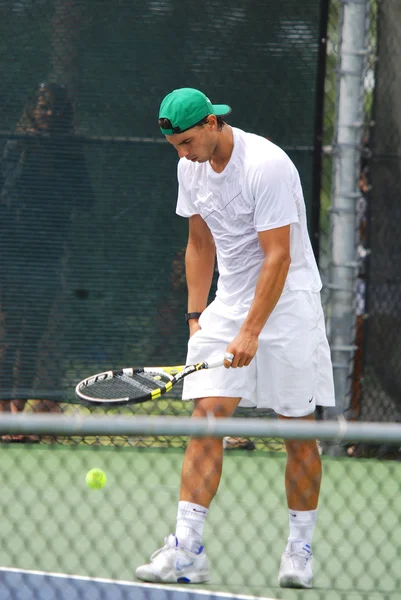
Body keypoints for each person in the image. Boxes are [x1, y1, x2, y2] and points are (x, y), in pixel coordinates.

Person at [135, 88, 335, 588]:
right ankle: (187, 549)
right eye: (175, 147)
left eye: (187, 141)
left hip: (289, 303)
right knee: (207, 416)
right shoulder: (189, 167)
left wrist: (252, 332)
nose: (183, 154)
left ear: (212, 123)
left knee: (297, 429)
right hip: (229, 304)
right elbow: (199, 244)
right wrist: (196, 316)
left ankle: (299, 548)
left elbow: (278, 256)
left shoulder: (265, 165)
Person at [0, 82, 95, 441]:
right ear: (32, 111)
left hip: (48, 255)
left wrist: (58, 183)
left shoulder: (71, 152)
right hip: (11, 253)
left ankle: (18, 416)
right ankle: (3, 416)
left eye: (56, 108)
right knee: (7, 336)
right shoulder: (15, 145)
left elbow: (86, 198)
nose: (50, 114)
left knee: (31, 337)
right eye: (43, 108)